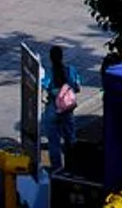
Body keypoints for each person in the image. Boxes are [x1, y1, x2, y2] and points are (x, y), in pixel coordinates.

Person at [42, 44, 82, 173]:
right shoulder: (71, 70)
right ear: (62, 57)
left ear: (50, 58)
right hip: (67, 109)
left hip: (53, 109)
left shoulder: (49, 73)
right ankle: (72, 165)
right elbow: (77, 87)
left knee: (54, 142)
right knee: (70, 138)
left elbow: (43, 87)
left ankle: (57, 168)